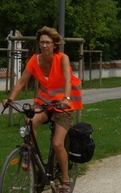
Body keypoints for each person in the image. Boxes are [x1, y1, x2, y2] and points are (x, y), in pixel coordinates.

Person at [2, 26, 82, 193]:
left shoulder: (62, 58)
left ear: (54, 44)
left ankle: (66, 179)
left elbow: (68, 80)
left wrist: (66, 99)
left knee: (57, 143)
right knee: (29, 120)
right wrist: (10, 100)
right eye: (42, 42)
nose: (44, 45)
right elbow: (22, 82)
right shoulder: (34, 60)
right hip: (45, 102)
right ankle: (30, 154)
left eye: (48, 42)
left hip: (64, 105)